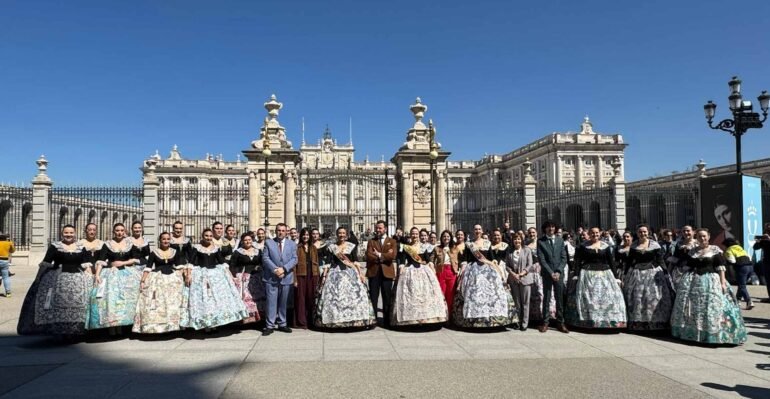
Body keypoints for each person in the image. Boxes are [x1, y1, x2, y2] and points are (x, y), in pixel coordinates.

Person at [671, 228, 747, 344]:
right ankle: (693, 333)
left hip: (712, 280)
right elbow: (688, 266)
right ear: (696, 238)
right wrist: (681, 279)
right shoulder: (692, 251)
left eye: (704, 236)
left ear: (709, 237)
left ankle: (716, 333)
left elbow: (720, 267)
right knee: (692, 307)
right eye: (700, 236)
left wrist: (722, 283)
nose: (702, 238)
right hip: (693, 280)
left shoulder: (715, 250)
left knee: (713, 306)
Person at [18, 225, 94, 337]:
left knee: (80, 306)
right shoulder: (55, 246)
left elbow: (86, 263)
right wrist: (38, 278)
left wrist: (90, 276)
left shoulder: (81, 247)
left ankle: (78, 331)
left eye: (71, 233)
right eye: (66, 233)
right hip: (58, 277)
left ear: (75, 233)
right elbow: (46, 263)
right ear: (61, 233)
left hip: (78, 278)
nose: (69, 235)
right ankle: (59, 331)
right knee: (56, 305)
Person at [452, 224, 517, 329]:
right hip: (473, 271)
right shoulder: (469, 244)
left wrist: (495, 266)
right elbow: (465, 259)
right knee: (472, 294)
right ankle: (472, 320)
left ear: (482, 231)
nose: (477, 231)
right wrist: (463, 271)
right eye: (475, 229)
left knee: (494, 293)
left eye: (479, 229)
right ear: (473, 231)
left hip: (487, 271)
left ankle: (492, 320)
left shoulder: (487, 243)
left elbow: (491, 258)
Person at [315, 226, 375, 329]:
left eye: (343, 233)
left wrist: (360, 274)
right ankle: (334, 320)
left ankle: (355, 320)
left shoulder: (351, 246)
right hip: (335, 274)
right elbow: (328, 262)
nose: (341, 235)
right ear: (337, 234)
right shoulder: (332, 247)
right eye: (339, 233)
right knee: (333, 297)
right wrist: (324, 276)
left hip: (350, 274)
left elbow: (355, 261)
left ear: (346, 234)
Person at [566, 227, 627, 329]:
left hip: (605, 275)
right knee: (589, 299)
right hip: (587, 274)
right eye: (592, 233)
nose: (595, 235)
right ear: (589, 234)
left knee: (609, 298)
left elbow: (611, 262)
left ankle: (609, 322)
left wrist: (616, 277)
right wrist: (576, 274)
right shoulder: (583, 246)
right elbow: (577, 261)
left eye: (597, 233)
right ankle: (589, 321)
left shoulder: (606, 246)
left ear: (600, 234)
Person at [188, 228, 248, 331]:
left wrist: (230, 276)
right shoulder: (197, 248)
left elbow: (222, 263)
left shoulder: (216, 248)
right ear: (202, 236)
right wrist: (189, 275)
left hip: (215, 276)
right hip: (201, 276)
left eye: (210, 236)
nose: (208, 238)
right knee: (205, 300)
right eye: (206, 236)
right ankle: (206, 324)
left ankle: (214, 323)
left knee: (216, 300)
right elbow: (191, 262)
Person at [88, 223, 143, 335]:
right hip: (111, 273)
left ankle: (126, 326)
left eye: (122, 230)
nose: (119, 233)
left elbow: (136, 259)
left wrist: (123, 262)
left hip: (128, 272)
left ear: (125, 232)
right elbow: (101, 261)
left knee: (129, 299)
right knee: (111, 299)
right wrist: (97, 275)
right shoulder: (107, 244)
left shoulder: (130, 244)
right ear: (113, 231)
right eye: (117, 230)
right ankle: (112, 327)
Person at [133, 231, 189, 333]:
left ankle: (174, 325)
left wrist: (185, 275)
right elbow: (148, 267)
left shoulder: (175, 252)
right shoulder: (154, 253)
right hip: (158, 278)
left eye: (168, 239)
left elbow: (179, 266)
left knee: (174, 302)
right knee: (158, 303)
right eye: (164, 239)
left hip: (172, 278)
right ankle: (160, 327)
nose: (166, 241)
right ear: (160, 240)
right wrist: (143, 280)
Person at [391, 227, 446, 327]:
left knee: (424, 295)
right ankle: (410, 318)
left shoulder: (423, 247)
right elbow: (402, 260)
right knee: (410, 293)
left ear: (418, 235)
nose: (415, 235)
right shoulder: (406, 247)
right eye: (413, 233)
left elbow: (428, 259)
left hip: (423, 271)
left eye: (416, 234)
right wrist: (401, 268)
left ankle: (426, 317)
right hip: (410, 271)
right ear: (410, 235)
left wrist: (431, 266)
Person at [623, 224, 674, 331]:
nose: (642, 234)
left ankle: (655, 323)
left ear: (648, 232)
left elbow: (660, 260)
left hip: (652, 273)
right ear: (637, 233)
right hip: (637, 274)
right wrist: (625, 274)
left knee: (653, 298)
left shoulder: (655, 245)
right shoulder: (633, 246)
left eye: (644, 232)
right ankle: (638, 323)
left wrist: (665, 273)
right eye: (640, 232)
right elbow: (629, 262)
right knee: (638, 298)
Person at [261, 223, 297, 335]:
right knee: (271, 302)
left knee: (283, 302)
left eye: (283, 230)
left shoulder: (292, 244)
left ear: (287, 232)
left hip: (286, 276)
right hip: (272, 277)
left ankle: (282, 323)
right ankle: (269, 325)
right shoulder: (269, 242)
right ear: (275, 231)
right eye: (278, 230)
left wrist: (284, 269)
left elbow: (294, 259)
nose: (281, 232)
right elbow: (265, 258)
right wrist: (276, 270)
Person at [536, 220, 569, 333]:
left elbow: (564, 258)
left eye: (553, 227)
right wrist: (551, 272)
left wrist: (559, 271)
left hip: (559, 274)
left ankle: (560, 322)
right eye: (548, 227)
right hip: (547, 274)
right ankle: (545, 322)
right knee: (547, 297)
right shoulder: (541, 241)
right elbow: (542, 259)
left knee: (559, 298)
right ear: (545, 229)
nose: (551, 229)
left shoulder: (560, 241)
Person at [365, 220, 398, 327]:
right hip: (374, 272)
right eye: (377, 228)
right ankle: (373, 320)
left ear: (385, 229)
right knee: (373, 297)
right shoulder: (371, 241)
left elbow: (392, 256)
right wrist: (384, 256)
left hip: (387, 273)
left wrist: (379, 255)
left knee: (387, 297)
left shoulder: (392, 241)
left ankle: (387, 321)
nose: (378, 230)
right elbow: (369, 255)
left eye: (380, 228)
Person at [229, 232, 264, 325]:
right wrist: (235, 276)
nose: (248, 241)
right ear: (242, 241)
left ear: (252, 240)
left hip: (257, 278)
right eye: (245, 240)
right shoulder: (238, 252)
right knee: (246, 298)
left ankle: (258, 319)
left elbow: (262, 263)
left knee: (257, 298)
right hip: (243, 279)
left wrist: (259, 267)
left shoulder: (258, 251)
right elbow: (232, 265)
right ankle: (245, 319)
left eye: (249, 240)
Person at [506, 233, 535, 331]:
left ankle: (525, 323)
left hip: (525, 279)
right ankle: (517, 321)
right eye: (515, 239)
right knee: (517, 302)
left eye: (518, 239)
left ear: (521, 240)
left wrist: (521, 274)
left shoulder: (527, 250)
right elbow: (507, 265)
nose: (517, 241)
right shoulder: (510, 251)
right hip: (514, 280)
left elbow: (530, 264)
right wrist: (513, 274)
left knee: (525, 302)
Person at [294, 228, 319, 329]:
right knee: (301, 298)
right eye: (304, 235)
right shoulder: (297, 248)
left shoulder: (313, 247)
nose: (306, 237)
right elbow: (294, 265)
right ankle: (301, 321)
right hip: (301, 275)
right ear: (301, 236)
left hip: (312, 275)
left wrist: (317, 276)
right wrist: (294, 279)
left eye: (307, 235)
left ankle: (311, 321)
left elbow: (316, 262)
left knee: (311, 297)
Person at [432, 230, 457, 318]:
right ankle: (442, 316)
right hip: (441, 272)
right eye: (444, 237)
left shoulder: (454, 248)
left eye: (448, 236)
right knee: (441, 294)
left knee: (450, 295)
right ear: (441, 238)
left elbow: (459, 260)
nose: (446, 238)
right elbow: (431, 261)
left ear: (450, 238)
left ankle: (450, 316)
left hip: (451, 272)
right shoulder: (437, 248)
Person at [723, 238, 754, 310]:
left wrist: (726, 261)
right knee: (741, 285)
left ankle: (749, 301)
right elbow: (749, 257)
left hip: (742, 268)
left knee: (742, 286)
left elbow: (732, 261)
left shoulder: (729, 250)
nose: (723, 247)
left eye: (724, 245)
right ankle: (737, 301)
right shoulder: (740, 248)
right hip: (750, 267)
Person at [753, 227, 770, 302]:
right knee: (768, 281)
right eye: (766, 231)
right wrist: (759, 241)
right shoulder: (764, 241)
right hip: (767, 263)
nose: (767, 233)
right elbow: (755, 247)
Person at [0, 233, 15, 297]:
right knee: (6, 277)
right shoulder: (9, 243)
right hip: (4, 260)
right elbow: (12, 251)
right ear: (6, 238)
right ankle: (8, 292)